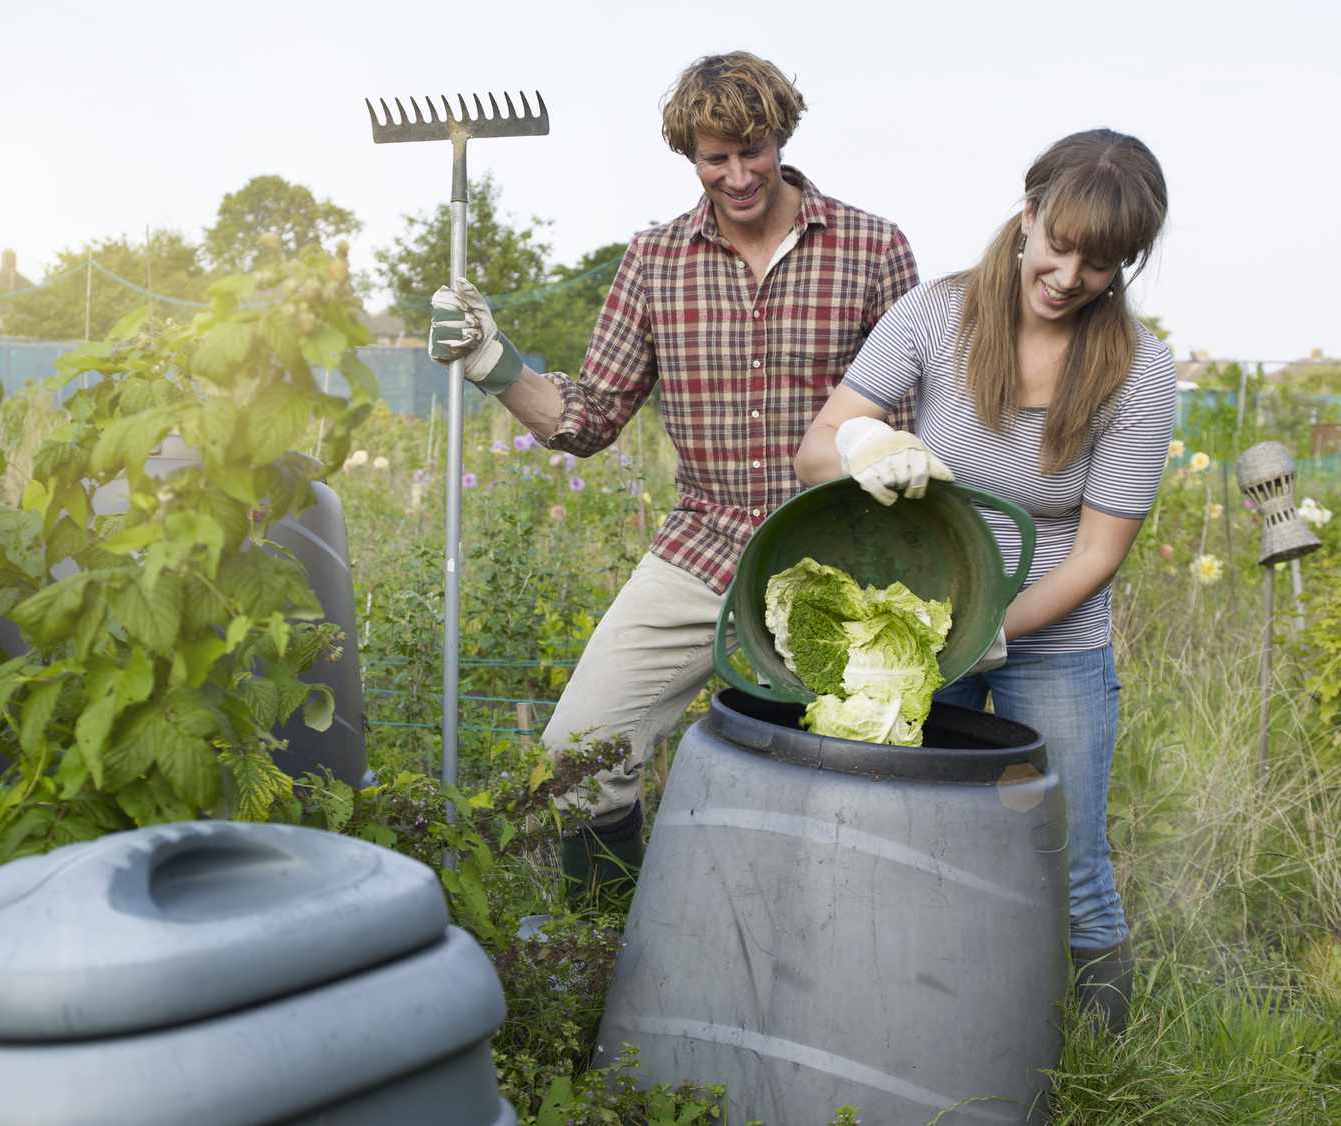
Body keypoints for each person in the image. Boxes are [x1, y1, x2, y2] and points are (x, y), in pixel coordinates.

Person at [429, 51, 919, 898]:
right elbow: (585, 418)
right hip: (707, 542)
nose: (736, 176)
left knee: (848, 785)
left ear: (782, 136)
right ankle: (608, 949)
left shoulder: (873, 248)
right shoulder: (655, 261)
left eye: (751, 151)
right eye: (713, 158)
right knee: (579, 754)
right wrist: (492, 361)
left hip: (844, 550)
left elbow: (910, 423)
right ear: (690, 156)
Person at [794, 129, 1175, 1031]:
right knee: (897, 829)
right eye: (1062, 243)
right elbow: (816, 447)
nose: (1071, 275)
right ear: (1029, 214)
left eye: (1103, 261)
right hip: (921, 620)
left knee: (1071, 854)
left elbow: (1097, 551)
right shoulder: (937, 315)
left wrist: (993, 628)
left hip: (1055, 641)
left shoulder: (1140, 367)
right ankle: (891, 1020)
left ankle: (1099, 1060)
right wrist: (865, 444)